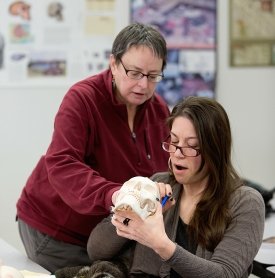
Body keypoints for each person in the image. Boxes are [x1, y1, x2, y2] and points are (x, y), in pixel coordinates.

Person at [16, 22, 170, 273]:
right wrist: (114, 195)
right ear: (113, 63)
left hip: (108, 234)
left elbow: (165, 167)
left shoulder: (158, 109)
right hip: (57, 230)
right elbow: (63, 164)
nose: (143, 85)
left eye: (153, 76)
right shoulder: (82, 99)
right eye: (134, 73)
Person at [87, 96, 265, 277]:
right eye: (173, 141)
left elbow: (224, 273)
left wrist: (161, 244)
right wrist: (132, 210)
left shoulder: (246, 202)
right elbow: (96, 250)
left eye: (191, 146)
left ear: (215, 150)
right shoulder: (157, 184)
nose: (177, 154)